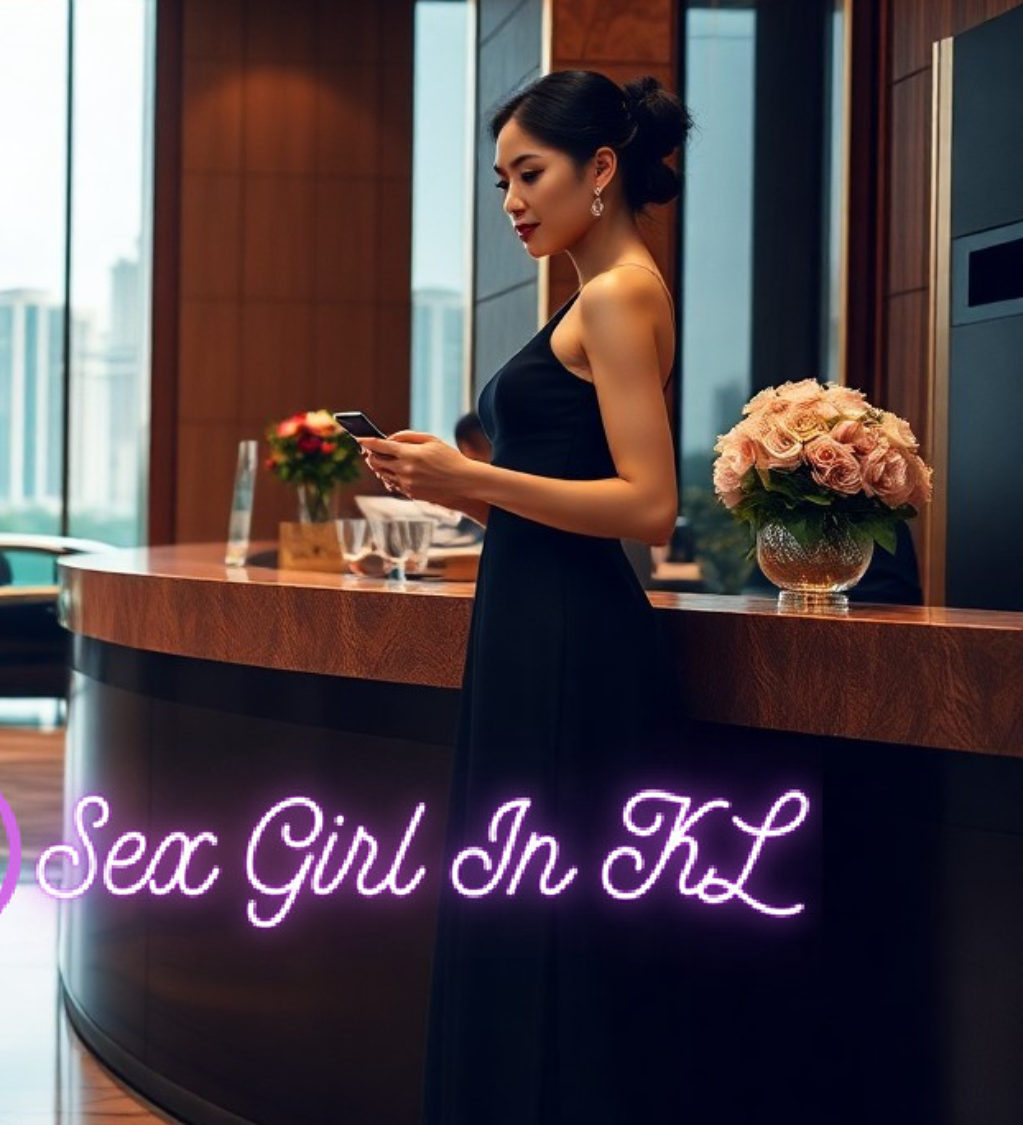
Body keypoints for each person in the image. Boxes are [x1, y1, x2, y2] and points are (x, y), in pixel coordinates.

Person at [361, 72, 813, 1124]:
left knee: (552, 915)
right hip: (530, 623)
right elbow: (555, 502)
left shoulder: (618, 292)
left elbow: (649, 504)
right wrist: (447, 490)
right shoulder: (586, 292)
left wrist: (469, 479)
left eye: (530, 174)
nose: (510, 199)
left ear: (599, 170)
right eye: (499, 180)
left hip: (569, 640)